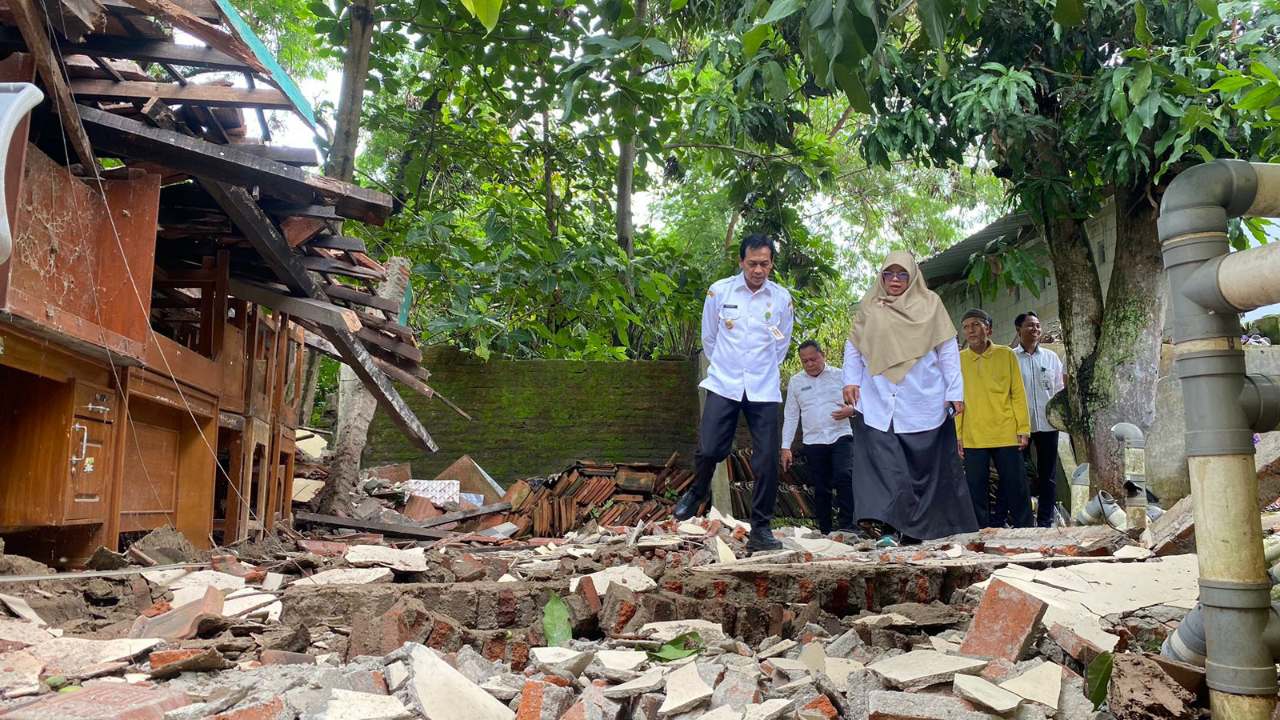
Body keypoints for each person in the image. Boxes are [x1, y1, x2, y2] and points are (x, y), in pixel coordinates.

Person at [842, 251, 977, 544]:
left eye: (901, 274)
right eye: (888, 274)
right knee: (887, 469)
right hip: (879, 400)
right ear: (881, 277)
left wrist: (955, 392)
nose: (894, 280)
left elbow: (948, 351)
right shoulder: (870, 308)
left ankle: (918, 531)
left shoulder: (931, 305)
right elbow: (853, 347)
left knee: (923, 470)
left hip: (923, 397)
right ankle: (890, 529)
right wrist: (850, 380)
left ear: (912, 276)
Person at [674, 233, 794, 553]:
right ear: (741, 261)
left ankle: (762, 528)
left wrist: (760, 368)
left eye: (765, 264)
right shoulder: (719, 291)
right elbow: (709, 338)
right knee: (711, 447)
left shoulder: (781, 298)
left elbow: (782, 344)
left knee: (767, 458)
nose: (758, 270)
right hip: (725, 382)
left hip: (764, 387)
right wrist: (729, 367)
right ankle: (698, 491)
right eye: (753, 263)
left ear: (771, 264)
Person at [957, 308, 1033, 528]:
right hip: (974, 434)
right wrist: (958, 435)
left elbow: (1017, 392)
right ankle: (978, 534)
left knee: (1016, 486)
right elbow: (957, 400)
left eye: (976, 324)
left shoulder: (1006, 354)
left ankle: (1026, 532)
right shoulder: (958, 360)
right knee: (975, 488)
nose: (970, 330)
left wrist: (1023, 428)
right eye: (966, 326)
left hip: (1006, 431)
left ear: (988, 329)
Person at [781, 340, 856, 535]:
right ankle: (825, 529)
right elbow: (790, 415)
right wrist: (785, 446)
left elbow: (862, 401)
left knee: (844, 476)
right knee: (821, 486)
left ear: (823, 355)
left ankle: (847, 525)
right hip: (813, 440)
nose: (809, 364)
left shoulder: (841, 376)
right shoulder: (796, 382)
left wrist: (852, 410)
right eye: (804, 361)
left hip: (840, 434)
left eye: (813, 359)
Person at [1013, 311, 1066, 527]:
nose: (1035, 329)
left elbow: (1059, 388)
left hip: (1047, 425)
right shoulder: (1011, 358)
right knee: (1020, 474)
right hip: (1020, 427)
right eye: (1030, 326)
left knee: (1048, 475)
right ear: (1018, 331)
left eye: (1037, 326)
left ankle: (1045, 520)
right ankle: (1023, 520)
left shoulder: (1051, 358)